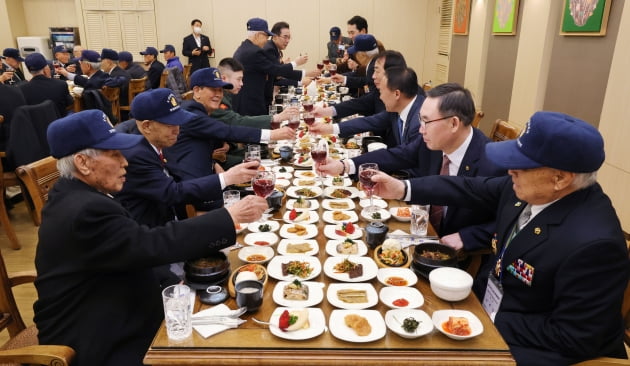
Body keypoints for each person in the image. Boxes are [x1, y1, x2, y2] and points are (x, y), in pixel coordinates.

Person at [370, 111, 630, 365]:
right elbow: (469, 188)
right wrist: (402, 188)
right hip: (487, 305)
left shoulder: (595, 244)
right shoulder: (531, 188)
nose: (509, 170)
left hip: (534, 344)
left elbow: (574, 337)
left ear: (560, 178)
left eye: (522, 164)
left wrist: (483, 317)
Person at [33, 109, 267, 366]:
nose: (125, 163)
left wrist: (175, 283)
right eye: (114, 155)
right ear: (83, 162)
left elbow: (130, 246)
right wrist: (227, 216)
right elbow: (150, 244)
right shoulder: (84, 210)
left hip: (121, 303)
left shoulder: (82, 194)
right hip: (98, 336)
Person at [317, 82, 504, 251]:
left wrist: (468, 237)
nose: (421, 129)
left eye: (426, 121)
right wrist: (344, 166)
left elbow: (511, 220)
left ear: (454, 123)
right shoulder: (432, 142)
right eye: (420, 121)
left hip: (459, 259)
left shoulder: (493, 161)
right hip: (421, 232)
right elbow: (396, 155)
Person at [164, 68, 294, 196]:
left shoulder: (199, 110)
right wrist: (271, 134)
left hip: (205, 178)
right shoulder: (191, 114)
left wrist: (214, 162)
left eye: (220, 90)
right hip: (194, 192)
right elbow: (227, 130)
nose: (218, 94)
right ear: (197, 91)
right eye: (213, 89)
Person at [213, 57, 298, 168]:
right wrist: (274, 119)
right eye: (239, 79)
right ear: (223, 79)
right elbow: (236, 122)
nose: (242, 84)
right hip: (218, 160)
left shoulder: (226, 95)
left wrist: (228, 145)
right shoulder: (216, 99)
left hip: (229, 149)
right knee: (268, 163)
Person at [311, 66, 423, 149]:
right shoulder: (397, 108)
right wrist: (330, 128)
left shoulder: (419, 123)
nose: (381, 97)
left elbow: (405, 156)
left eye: (382, 92)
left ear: (397, 94)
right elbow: (369, 122)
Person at [232, 17, 304, 116]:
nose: (267, 40)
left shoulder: (244, 48)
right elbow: (275, 70)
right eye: (266, 36)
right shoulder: (254, 52)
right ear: (258, 35)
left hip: (244, 100)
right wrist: (295, 63)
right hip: (250, 103)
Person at [312, 49, 405, 120]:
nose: (373, 77)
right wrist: (327, 111)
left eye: (377, 71)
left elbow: (376, 121)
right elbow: (357, 104)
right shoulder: (378, 92)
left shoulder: (412, 107)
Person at [262, 21, 317, 106]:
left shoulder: (274, 49)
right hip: (262, 96)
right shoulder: (269, 49)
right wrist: (295, 63)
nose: (287, 41)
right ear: (275, 36)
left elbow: (278, 73)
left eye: (289, 37)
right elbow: (277, 73)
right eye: (285, 37)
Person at [18, 53, 73, 117]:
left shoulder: (21, 89)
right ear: (45, 67)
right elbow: (69, 103)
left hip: (37, 125)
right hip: (59, 123)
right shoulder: (61, 84)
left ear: (28, 70)